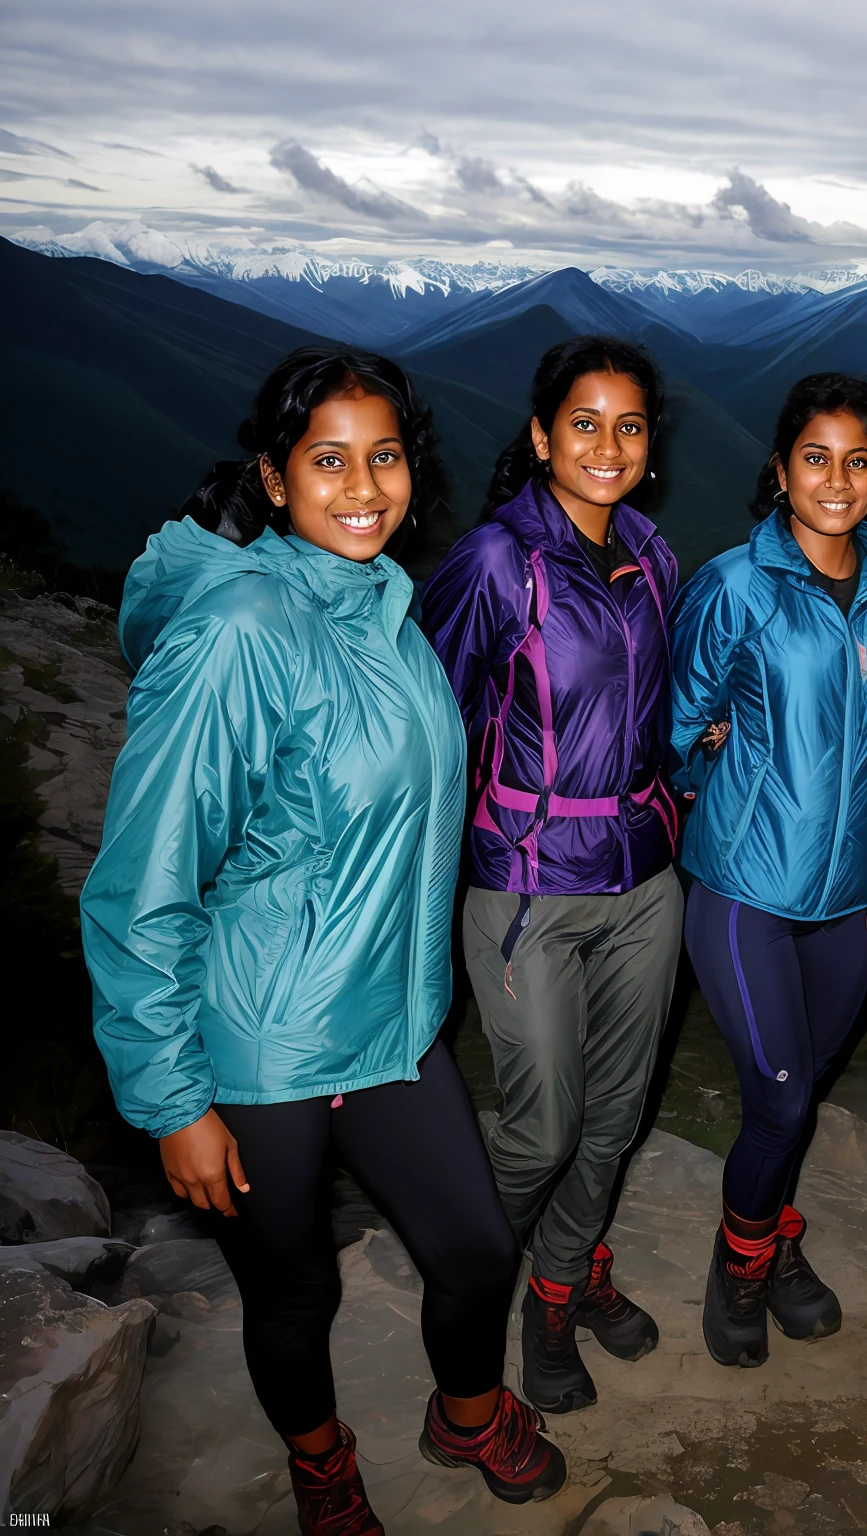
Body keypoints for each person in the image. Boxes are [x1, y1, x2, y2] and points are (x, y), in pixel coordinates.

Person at [81, 347, 564, 1536]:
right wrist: (171, 1099)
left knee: (474, 1252)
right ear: (277, 477)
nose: (364, 487)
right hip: (259, 1047)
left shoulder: (384, 604)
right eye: (330, 460)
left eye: (385, 457)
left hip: (389, 1029)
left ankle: (462, 1413)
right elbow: (142, 880)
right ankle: (320, 1463)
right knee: (291, 1287)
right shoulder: (245, 628)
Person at [420, 337, 682, 1416]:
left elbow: (666, 712)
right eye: (584, 423)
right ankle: (472, 1284)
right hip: (526, 887)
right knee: (543, 1128)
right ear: (540, 437)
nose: (607, 446)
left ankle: (559, 1286)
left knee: (615, 1117)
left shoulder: (654, 556)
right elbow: (429, 727)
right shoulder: (494, 564)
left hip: (646, 883)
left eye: (628, 426)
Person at [670, 373, 867, 1368]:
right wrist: (719, 777)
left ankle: (774, 1236)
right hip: (745, 889)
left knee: (803, 1088)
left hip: (858, 895)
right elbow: (679, 728)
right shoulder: (734, 585)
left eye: (857, 461)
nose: (837, 479)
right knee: (778, 1098)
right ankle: (741, 1266)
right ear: (780, 471)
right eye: (815, 457)